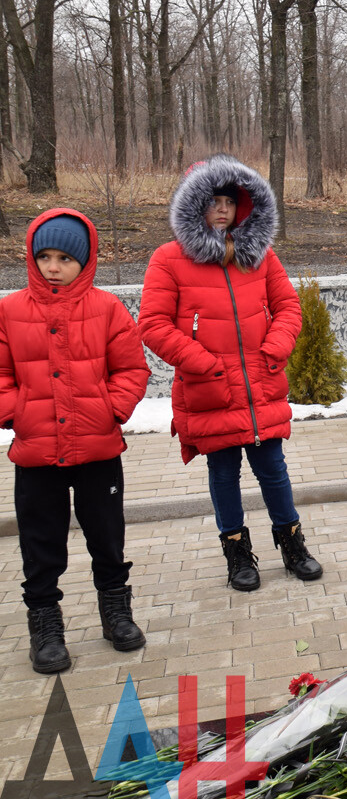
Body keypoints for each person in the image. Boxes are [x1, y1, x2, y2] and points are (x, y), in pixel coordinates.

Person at [139, 155, 322, 592]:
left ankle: (292, 544)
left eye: (229, 200)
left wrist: (273, 351)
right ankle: (237, 553)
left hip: (260, 386)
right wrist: (201, 362)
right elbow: (152, 324)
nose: (222, 208)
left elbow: (288, 307)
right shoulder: (168, 260)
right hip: (209, 390)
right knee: (223, 474)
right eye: (212, 199)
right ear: (193, 205)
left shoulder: (259, 256)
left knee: (273, 470)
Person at [0, 210, 151, 674]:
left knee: (106, 536)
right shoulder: (9, 311)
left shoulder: (106, 309)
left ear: (83, 261)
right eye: (43, 255)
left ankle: (115, 610)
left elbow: (132, 369)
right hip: (37, 453)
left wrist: (111, 410)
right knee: (40, 543)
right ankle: (45, 623)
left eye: (64, 257)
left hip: (96, 451)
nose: (52, 266)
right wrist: (15, 413)